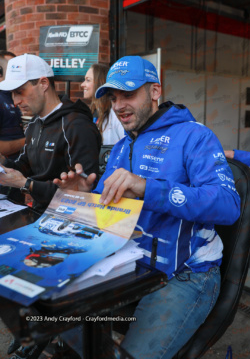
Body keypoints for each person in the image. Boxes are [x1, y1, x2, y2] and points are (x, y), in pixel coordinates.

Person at [54, 56, 240, 359]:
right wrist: (83, 196)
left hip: (186, 274)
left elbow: (228, 205)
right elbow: (106, 216)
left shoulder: (195, 135)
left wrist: (148, 187)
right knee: (52, 308)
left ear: (155, 91)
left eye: (128, 94)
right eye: (114, 97)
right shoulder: (123, 146)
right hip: (130, 264)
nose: (118, 105)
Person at [0, 53, 101, 212]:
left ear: (44, 83)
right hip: (38, 215)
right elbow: (24, 166)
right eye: (12, 94)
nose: (15, 101)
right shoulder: (34, 123)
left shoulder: (77, 125)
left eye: (20, 91)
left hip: (70, 220)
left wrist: (26, 184)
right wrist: (3, 162)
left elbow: (84, 193)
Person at [81, 63, 124, 144]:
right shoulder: (92, 112)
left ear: (100, 82)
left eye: (88, 80)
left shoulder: (115, 113)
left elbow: (129, 145)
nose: (82, 84)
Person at [0, 51, 25, 159]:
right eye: (11, 66)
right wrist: (31, 140)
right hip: (6, 171)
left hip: (22, 167)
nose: (16, 70)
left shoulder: (15, 94)